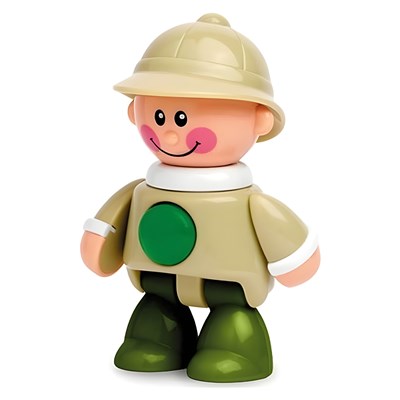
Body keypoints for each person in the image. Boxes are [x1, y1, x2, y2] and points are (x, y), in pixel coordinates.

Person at [80, 13, 320, 383]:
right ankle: (155, 342)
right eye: (159, 116)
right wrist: (100, 240)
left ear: (259, 120)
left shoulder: (249, 203)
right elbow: (110, 224)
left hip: (228, 292)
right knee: (155, 310)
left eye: (182, 119)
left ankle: (236, 350)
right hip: (158, 284)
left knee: (232, 318)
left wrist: (295, 258)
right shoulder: (142, 190)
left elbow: (287, 241)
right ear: (134, 111)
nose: (170, 135)